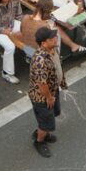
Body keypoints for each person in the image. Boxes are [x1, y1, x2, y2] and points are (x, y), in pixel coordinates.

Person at [29, 28, 66, 158]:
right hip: (43, 97)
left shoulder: (52, 49)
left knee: (54, 113)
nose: (56, 38)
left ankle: (42, 130)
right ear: (44, 43)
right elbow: (42, 84)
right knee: (46, 123)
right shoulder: (40, 61)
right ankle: (39, 141)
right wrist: (49, 98)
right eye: (52, 38)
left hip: (52, 91)